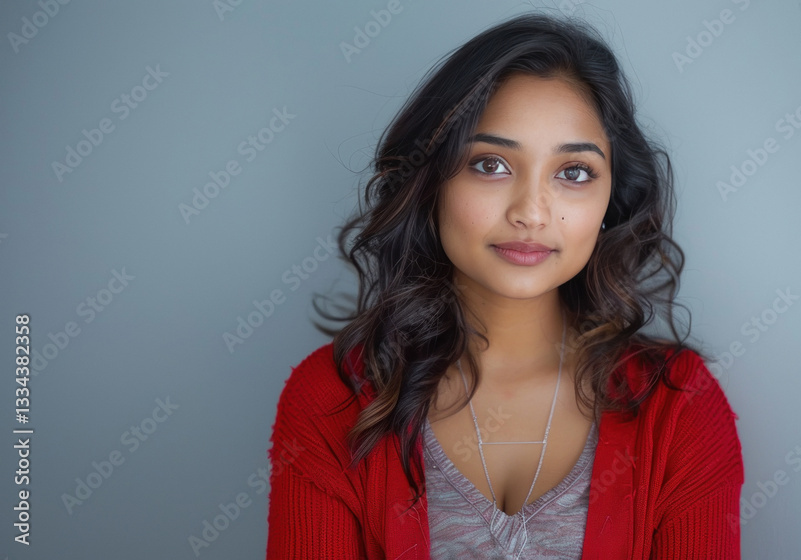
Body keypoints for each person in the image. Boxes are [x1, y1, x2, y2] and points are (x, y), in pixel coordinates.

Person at [265, 11, 744, 560]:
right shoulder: (332, 401)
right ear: (430, 183)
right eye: (490, 164)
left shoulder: (678, 407)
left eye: (574, 173)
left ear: (612, 200)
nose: (531, 212)